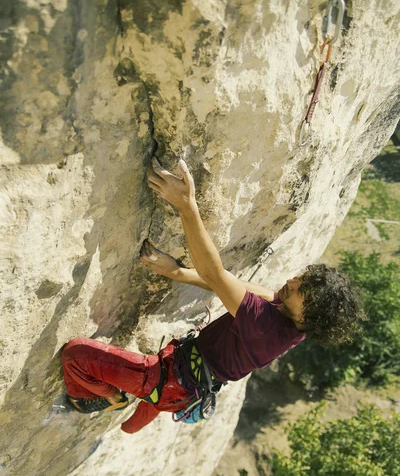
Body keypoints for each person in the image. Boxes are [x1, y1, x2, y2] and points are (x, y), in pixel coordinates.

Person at [62, 159, 364, 433]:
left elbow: (215, 274)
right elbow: (227, 283)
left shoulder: (266, 329)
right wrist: (177, 273)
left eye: (302, 290)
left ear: (308, 316)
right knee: (133, 424)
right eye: (302, 278)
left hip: (171, 382)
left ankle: (103, 398)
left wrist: (186, 205)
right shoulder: (285, 310)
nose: (293, 281)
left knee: (76, 355)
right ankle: (139, 413)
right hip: (185, 382)